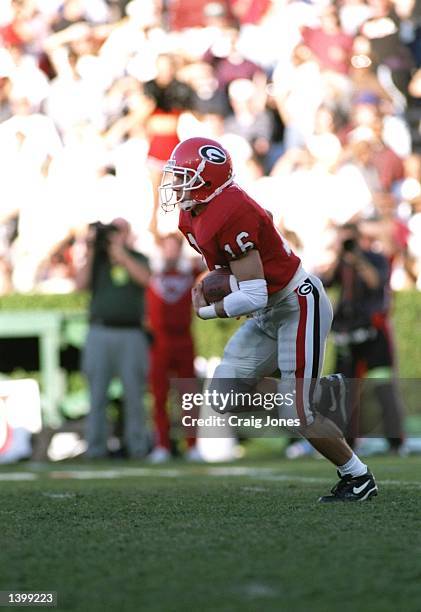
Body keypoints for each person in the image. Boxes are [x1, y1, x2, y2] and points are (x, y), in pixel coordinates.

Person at [159, 136, 378, 502]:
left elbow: (254, 292)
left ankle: (357, 476)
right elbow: (242, 284)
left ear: (207, 181)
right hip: (268, 308)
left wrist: (208, 309)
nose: (176, 184)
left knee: (298, 412)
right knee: (225, 394)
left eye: (184, 176)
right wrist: (219, 286)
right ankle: (320, 393)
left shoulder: (231, 212)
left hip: (295, 303)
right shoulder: (194, 212)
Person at [322, 222, 405, 453]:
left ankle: (396, 442)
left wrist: (357, 259)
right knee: (344, 392)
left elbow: (376, 282)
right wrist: (338, 258)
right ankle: (346, 445)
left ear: (359, 240)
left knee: (382, 387)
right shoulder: (340, 264)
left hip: (373, 334)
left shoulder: (373, 258)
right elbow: (325, 282)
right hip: (347, 336)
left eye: (349, 240)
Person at [76, 217, 150, 459]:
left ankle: (137, 447)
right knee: (96, 394)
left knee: (134, 395)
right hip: (100, 331)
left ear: (127, 234)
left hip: (131, 332)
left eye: (120, 231)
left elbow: (145, 279)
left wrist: (121, 254)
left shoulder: (138, 258)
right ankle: (95, 449)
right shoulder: (97, 261)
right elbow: (80, 285)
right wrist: (89, 249)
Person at [146, 233, 204, 462]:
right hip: (160, 342)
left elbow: (209, 263)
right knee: (159, 396)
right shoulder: (151, 273)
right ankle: (162, 445)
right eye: (166, 248)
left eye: (174, 248)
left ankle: (193, 446)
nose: (170, 252)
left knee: (188, 395)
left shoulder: (190, 272)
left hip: (184, 340)